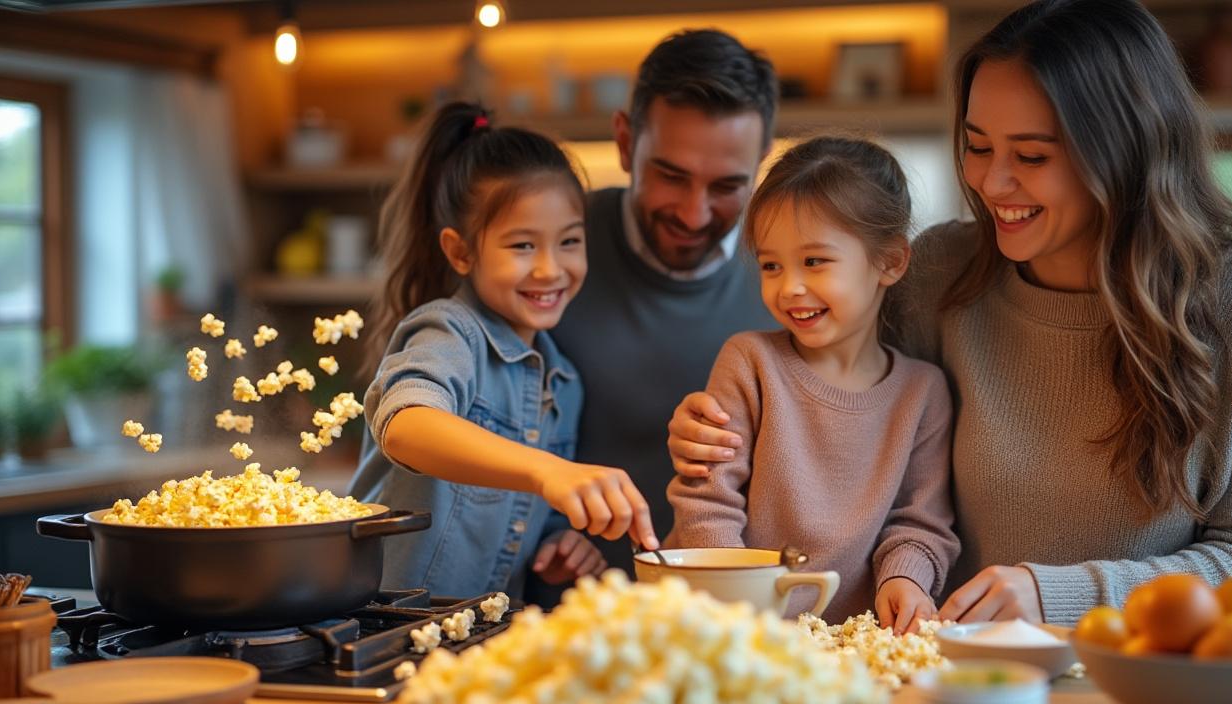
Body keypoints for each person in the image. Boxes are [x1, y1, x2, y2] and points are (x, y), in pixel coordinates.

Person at [666, 0, 1232, 627]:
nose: (991, 183)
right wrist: (725, 432)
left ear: (1128, 150)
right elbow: (831, 406)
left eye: (1031, 156)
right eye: (978, 146)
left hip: (1134, 689)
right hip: (953, 685)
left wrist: (1053, 595)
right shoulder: (938, 273)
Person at [349, 102, 658, 602]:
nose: (549, 269)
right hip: (376, 628)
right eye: (522, 246)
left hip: (476, 640)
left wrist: (559, 543)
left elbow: (524, 512)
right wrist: (546, 470)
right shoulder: (449, 332)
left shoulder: (563, 384)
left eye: (569, 242)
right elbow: (406, 423)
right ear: (461, 251)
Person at [665, 137, 960, 630]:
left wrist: (903, 581)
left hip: (848, 645)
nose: (789, 287)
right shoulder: (749, 362)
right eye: (771, 265)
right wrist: (740, 612)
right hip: (726, 629)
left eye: (815, 261)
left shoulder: (922, 394)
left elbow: (920, 522)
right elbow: (706, 503)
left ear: (890, 262)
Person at [550, 29, 779, 574]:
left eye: (726, 185)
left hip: (729, 622)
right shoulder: (546, 251)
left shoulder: (797, 275)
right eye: (671, 176)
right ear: (626, 142)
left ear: (763, 157)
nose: (695, 214)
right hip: (558, 616)